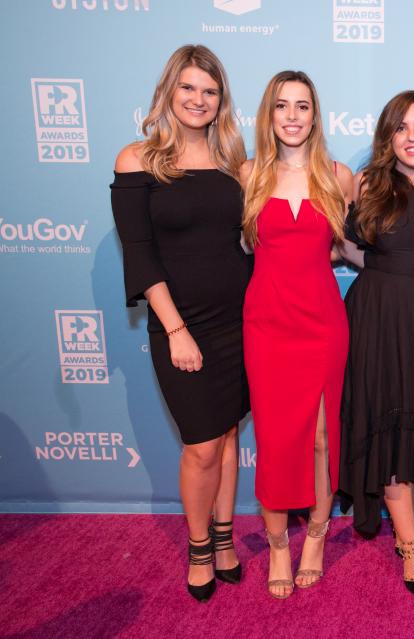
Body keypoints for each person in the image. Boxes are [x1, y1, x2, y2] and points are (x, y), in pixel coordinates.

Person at [110, 44, 249, 603]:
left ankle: (223, 539)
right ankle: (198, 548)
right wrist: (175, 329)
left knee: (230, 434)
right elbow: (139, 255)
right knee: (201, 446)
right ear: (169, 92)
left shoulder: (234, 163)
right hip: (183, 324)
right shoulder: (137, 160)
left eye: (209, 91)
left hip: (241, 320)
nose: (198, 99)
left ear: (221, 102)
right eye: (188, 88)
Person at [338, 90, 414, 598]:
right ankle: (410, 545)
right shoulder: (365, 182)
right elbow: (348, 247)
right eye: (402, 127)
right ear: (388, 136)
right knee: (387, 426)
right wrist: (393, 276)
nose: (413, 137)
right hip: (378, 320)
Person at [241, 71, 353, 599]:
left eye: (302, 106)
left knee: (322, 437)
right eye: (282, 106)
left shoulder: (338, 176)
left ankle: (316, 535)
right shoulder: (247, 175)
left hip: (322, 321)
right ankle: (278, 544)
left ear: (315, 114)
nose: (292, 115)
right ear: (269, 114)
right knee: (274, 437)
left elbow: (349, 249)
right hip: (266, 324)